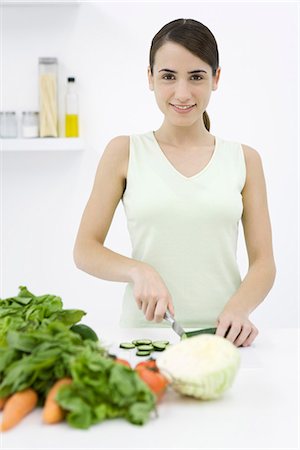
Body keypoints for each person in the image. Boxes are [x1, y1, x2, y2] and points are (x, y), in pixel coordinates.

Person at [73, 18, 276, 347]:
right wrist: (139, 271)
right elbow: (84, 249)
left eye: (196, 76)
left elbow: (264, 262)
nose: (182, 93)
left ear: (216, 78)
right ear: (150, 78)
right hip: (144, 337)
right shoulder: (124, 152)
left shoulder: (245, 159)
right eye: (168, 76)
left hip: (224, 339)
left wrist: (240, 309)